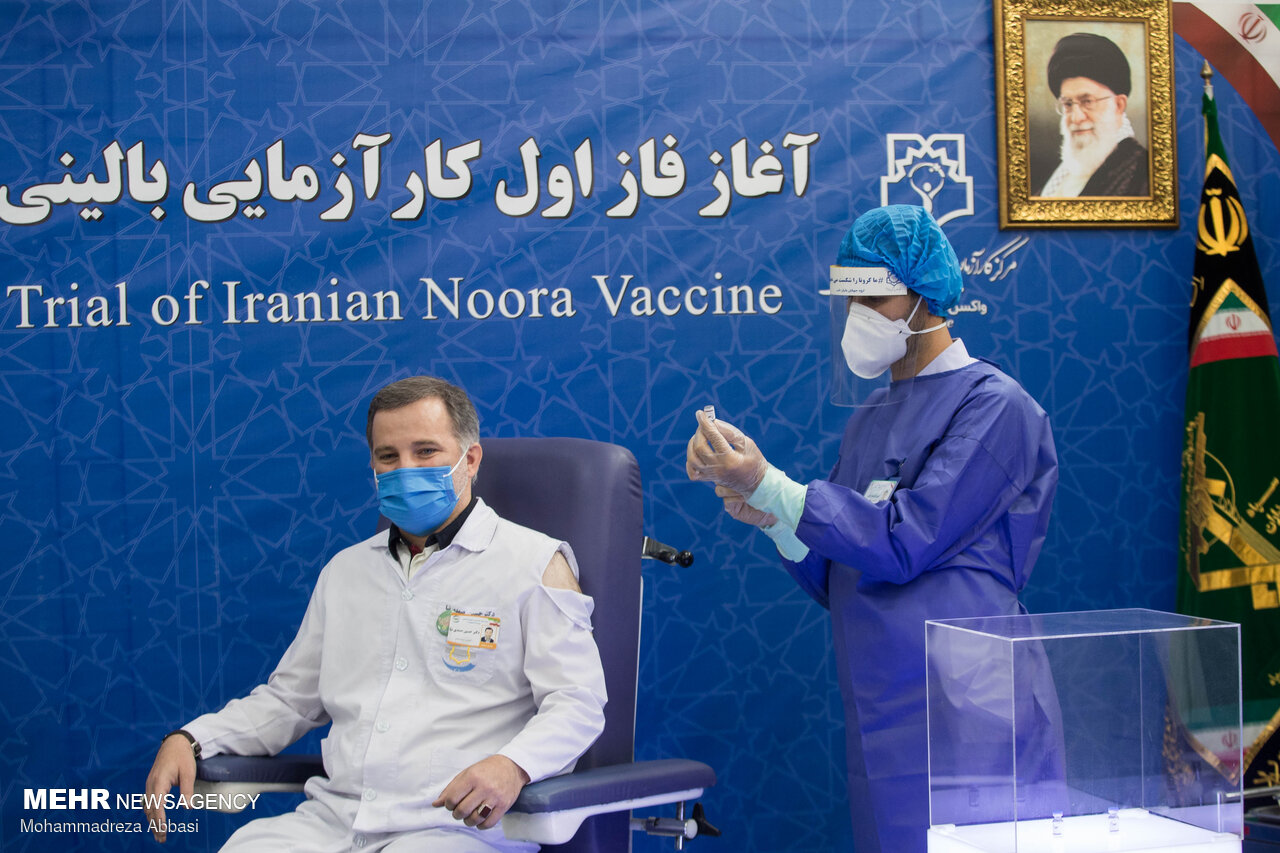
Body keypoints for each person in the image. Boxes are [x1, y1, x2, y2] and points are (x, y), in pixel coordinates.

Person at [686, 205, 1059, 853]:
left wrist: (775, 486)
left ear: (926, 296)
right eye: (850, 300)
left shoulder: (994, 406)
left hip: (969, 705)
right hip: (887, 704)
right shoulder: (872, 417)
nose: (858, 316)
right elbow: (843, 572)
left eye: (874, 298)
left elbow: (905, 540)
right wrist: (773, 517)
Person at [145, 376, 607, 852]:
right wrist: (193, 738)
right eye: (389, 456)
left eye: (425, 451)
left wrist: (513, 766)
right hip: (333, 823)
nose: (406, 469)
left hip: (455, 831)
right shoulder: (345, 572)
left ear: (470, 460)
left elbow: (577, 703)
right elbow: (289, 702)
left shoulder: (535, 564)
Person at [1037, 32, 1149, 197]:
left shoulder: (1142, 173)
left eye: (1087, 102)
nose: (1076, 118)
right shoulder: (1061, 172)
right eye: (1068, 104)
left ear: (1118, 105)